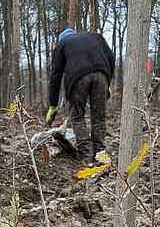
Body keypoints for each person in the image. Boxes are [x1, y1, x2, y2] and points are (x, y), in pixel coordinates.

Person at [45, 28, 115, 160]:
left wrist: (53, 105)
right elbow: (111, 59)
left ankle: (86, 154)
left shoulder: (62, 44)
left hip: (77, 79)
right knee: (99, 116)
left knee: (77, 116)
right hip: (101, 74)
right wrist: (107, 81)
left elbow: (55, 76)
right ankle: (99, 153)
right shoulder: (95, 37)